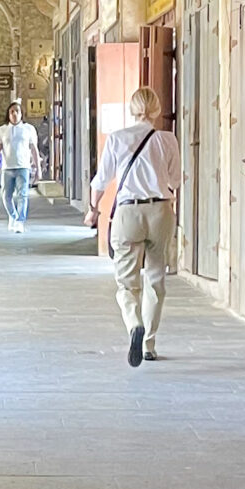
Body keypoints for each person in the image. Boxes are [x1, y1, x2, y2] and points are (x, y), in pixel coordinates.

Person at [89, 84, 182, 366]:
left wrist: (93, 210)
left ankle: (134, 324)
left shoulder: (117, 139)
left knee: (127, 284)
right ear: (157, 109)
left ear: (132, 110)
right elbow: (176, 181)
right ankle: (149, 345)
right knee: (156, 279)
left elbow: (101, 181)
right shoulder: (168, 140)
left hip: (129, 213)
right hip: (161, 211)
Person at [0, 99, 40, 231]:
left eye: (17, 111)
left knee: (23, 195)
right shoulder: (2, 130)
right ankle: (13, 216)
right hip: (7, 167)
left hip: (23, 166)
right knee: (6, 196)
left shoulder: (28, 129)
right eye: (12, 112)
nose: (14, 114)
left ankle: (20, 221)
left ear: (21, 114)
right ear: (8, 114)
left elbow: (34, 149)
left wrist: (37, 168)